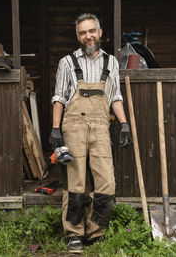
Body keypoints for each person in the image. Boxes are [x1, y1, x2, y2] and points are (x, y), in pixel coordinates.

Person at [49, 13, 131, 253]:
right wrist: (55, 130)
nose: (88, 36)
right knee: (76, 181)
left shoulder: (112, 63)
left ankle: (96, 232)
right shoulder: (67, 62)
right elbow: (59, 98)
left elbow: (115, 96)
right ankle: (74, 233)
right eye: (83, 33)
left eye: (91, 31)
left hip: (101, 126)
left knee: (106, 181)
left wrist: (124, 123)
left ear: (100, 32)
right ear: (78, 37)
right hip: (73, 126)